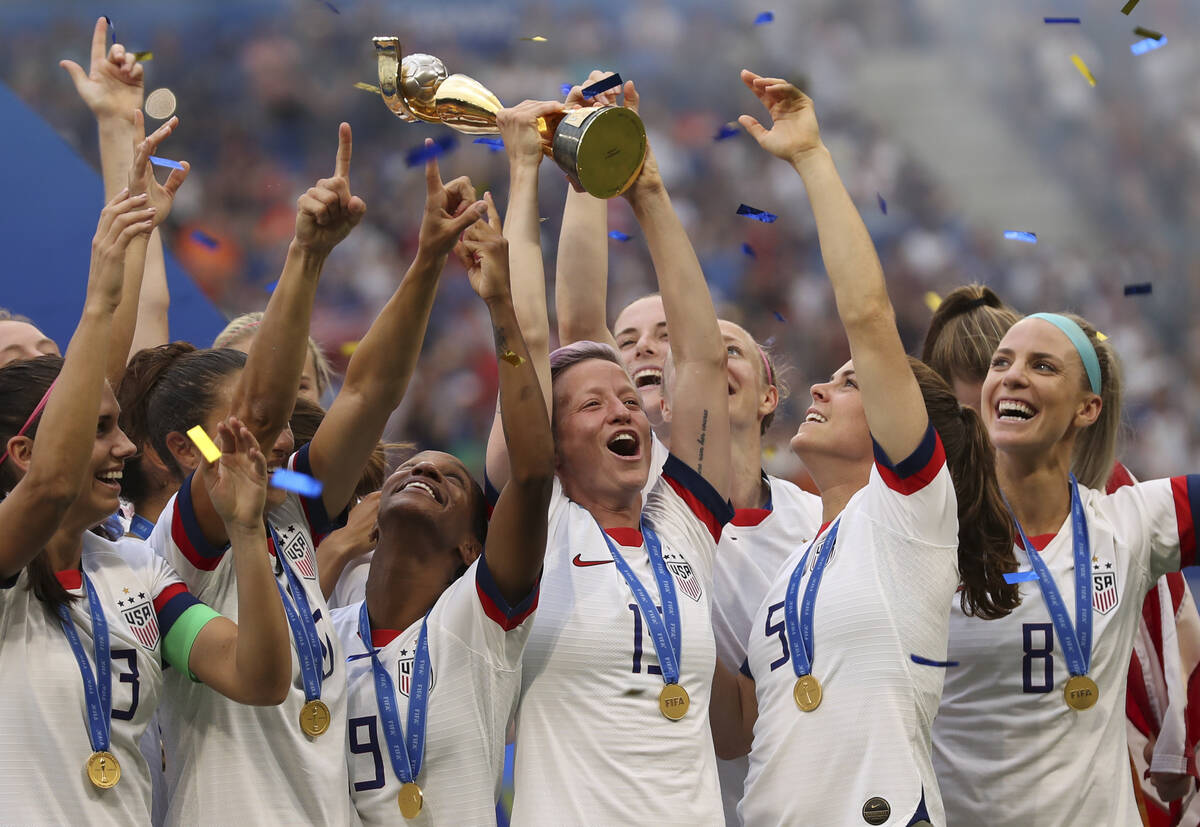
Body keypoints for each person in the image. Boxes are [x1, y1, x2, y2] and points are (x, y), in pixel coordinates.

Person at [141, 128, 485, 825]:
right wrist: (306, 253)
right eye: (235, 426)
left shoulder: (294, 505)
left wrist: (427, 261)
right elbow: (263, 409)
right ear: (185, 449)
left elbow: (368, 392)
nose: (262, 437)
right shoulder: (183, 540)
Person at [711, 72, 1020, 826]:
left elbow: (868, 311)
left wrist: (813, 159)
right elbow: (733, 731)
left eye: (849, 383)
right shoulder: (791, 567)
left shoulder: (910, 514)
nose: (818, 387)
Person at [0, 190, 290, 823]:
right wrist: (101, 299)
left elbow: (260, 679)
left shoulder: (134, 570)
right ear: (25, 452)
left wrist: (245, 532)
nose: (127, 447)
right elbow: (50, 488)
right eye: (102, 428)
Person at [487, 92, 735, 824]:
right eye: (591, 405)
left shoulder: (683, 526)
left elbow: (700, 357)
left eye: (628, 398)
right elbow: (530, 338)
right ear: (552, 444)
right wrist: (523, 173)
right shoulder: (541, 522)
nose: (624, 408)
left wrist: (649, 190)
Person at [923, 286, 1200, 826]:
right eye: (1000, 363)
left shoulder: (1129, 521)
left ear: (1087, 407)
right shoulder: (927, 530)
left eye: (1042, 365)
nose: (1011, 375)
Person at [335, 194, 553, 825]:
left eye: (451, 477)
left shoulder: (479, 624)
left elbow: (533, 474)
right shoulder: (325, 631)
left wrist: (500, 307)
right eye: (414, 466)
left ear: (471, 548)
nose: (426, 467)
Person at [213, 312, 334, 406]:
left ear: (320, 388)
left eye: (300, 387)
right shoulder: (198, 436)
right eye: (254, 388)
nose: (284, 404)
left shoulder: (343, 437)